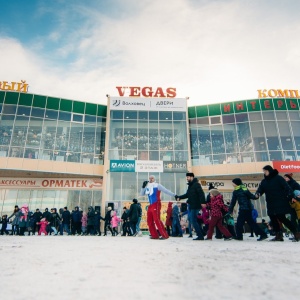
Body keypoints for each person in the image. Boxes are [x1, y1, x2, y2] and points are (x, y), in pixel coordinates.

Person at [255, 165, 300, 242]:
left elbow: (287, 187)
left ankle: (296, 232)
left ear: (269, 170)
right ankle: (278, 235)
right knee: (272, 217)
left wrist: (292, 196)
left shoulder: (278, 178)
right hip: (270, 203)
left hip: (280, 202)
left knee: (281, 218)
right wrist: (258, 193)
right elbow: (260, 189)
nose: (264, 173)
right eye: (264, 171)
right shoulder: (264, 181)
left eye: (265, 171)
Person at [140, 175, 176, 240]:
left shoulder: (157, 185)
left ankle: (164, 235)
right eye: (150, 178)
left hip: (156, 204)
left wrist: (174, 195)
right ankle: (154, 235)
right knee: (149, 220)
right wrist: (143, 187)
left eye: (152, 178)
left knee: (157, 219)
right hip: (150, 205)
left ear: (154, 179)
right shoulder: (147, 186)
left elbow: (166, 191)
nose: (151, 179)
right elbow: (142, 194)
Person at [176, 172, 206, 240]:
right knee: (194, 220)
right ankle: (202, 233)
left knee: (193, 220)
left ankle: (200, 235)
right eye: (186, 177)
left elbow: (201, 194)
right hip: (192, 205)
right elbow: (187, 195)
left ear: (192, 177)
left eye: (188, 177)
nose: (187, 178)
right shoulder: (190, 186)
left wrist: (203, 202)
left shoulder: (196, 184)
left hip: (196, 205)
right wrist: (179, 197)